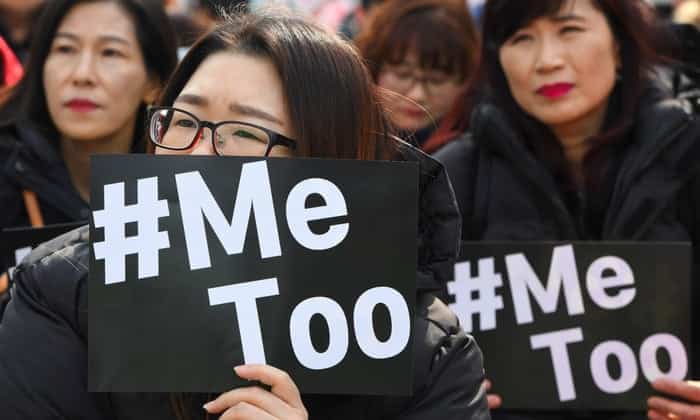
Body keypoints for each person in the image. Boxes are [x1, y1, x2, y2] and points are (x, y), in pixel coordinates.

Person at [0, 9, 491, 420]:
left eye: (247, 134)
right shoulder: (63, 289)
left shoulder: (426, 352)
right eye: (183, 120)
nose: (195, 155)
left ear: (330, 167)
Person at [433, 0, 700, 419]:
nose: (547, 60)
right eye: (522, 38)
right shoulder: (449, 179)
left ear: (618, 43)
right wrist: (444, 390)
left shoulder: (689, 155)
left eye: (569, 29)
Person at [355, 0, 479, 153]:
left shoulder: (477, 154)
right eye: (403, 75)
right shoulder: (345, 138)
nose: (417, 96)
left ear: (466, 80)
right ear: (372, 69)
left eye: (436, 80)